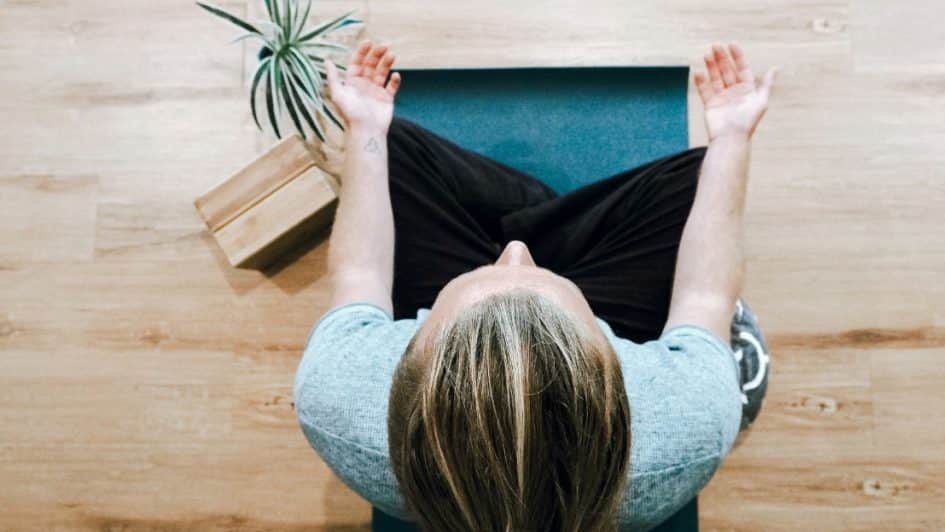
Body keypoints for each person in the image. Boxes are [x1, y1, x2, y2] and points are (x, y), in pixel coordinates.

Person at [294, 39, 776, 532]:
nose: (516, 253)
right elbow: (706, 297)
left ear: (404, 363)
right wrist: (734, 137)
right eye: (541, 278)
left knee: (390, 149)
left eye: (494, 270)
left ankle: (534, 210)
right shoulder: (683, 425)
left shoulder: (339, 397)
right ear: (615, 365)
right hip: (626, 314)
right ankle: (551, 217)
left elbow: (360, 276)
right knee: (696, 179)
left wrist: (366, 128)